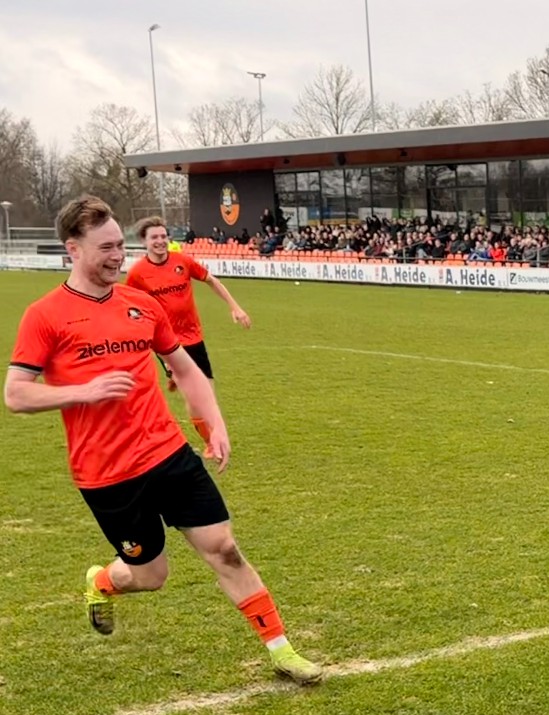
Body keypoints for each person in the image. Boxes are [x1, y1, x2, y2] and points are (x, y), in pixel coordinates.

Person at [4, 196, 322, 684]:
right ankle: (103, 580)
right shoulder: (45, 315)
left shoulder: (140, 305)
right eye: (106, 248)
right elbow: (17, 395)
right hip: (106, 473)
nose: (118, 256)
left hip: (167, 452)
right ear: (73, 249)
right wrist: (84, 391)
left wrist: (213, 423)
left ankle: (281, 650)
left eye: (120, 245)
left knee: (225, 548)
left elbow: (185, 370)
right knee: (152, 577)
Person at [125, 216, 252, 443]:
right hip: (167, 343)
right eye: (154, 237)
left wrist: (235, 307)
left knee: (208, 394)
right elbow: (130, 308)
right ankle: (211, 443)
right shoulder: (137, 274)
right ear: (144, 241)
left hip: (194, 337)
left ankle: (178, 378)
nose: (160, 241)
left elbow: (211, 280)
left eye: (163, 236)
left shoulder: (182, 261)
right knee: (195, 398)